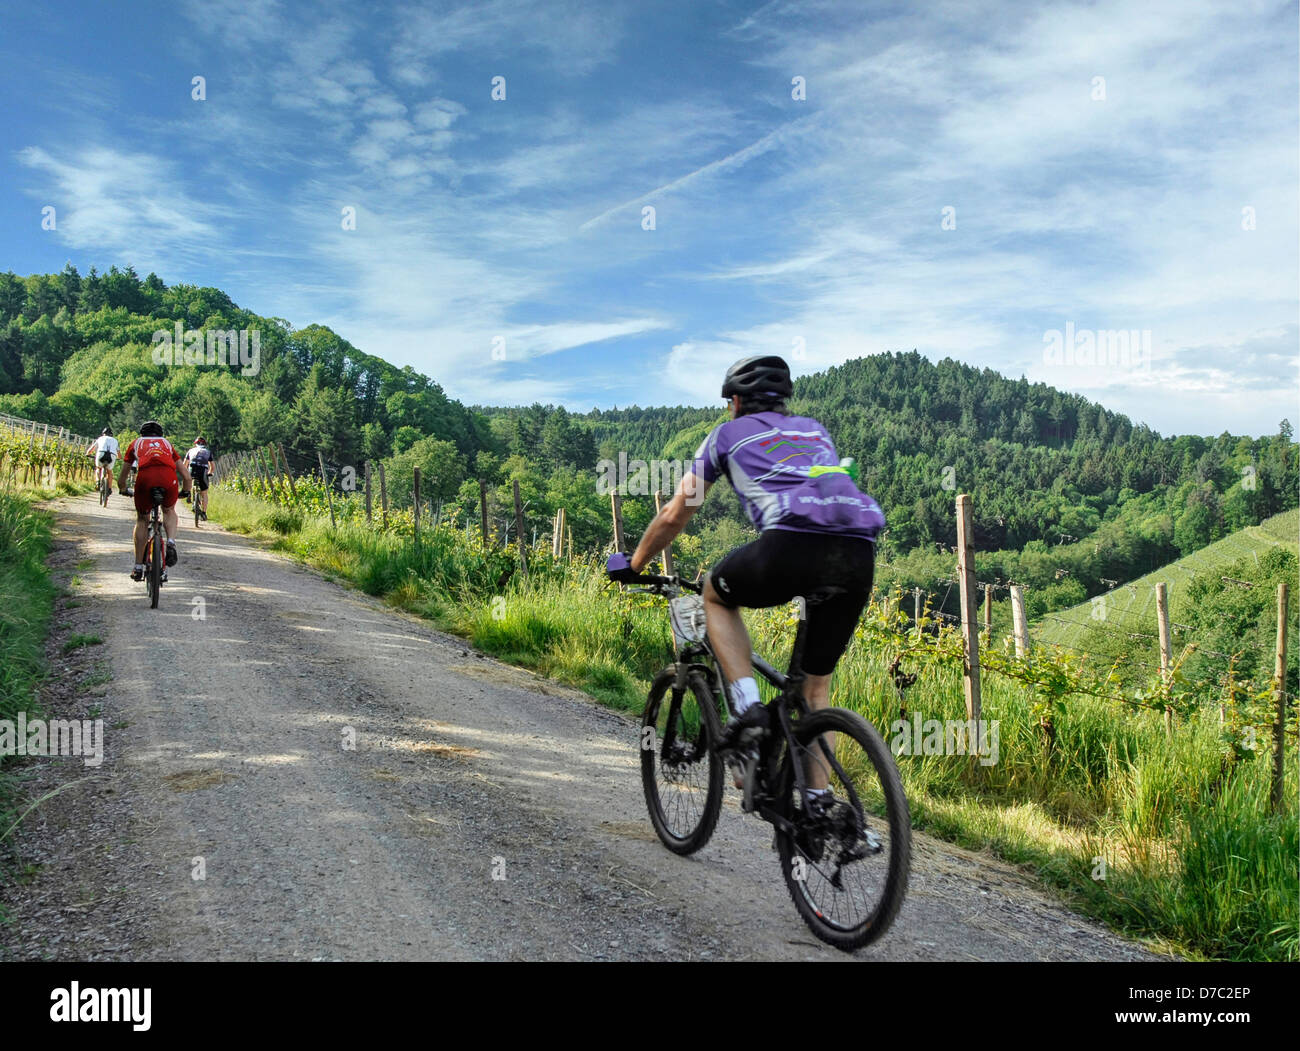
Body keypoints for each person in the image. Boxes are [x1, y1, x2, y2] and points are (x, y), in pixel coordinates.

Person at [608, 355, 885, 795]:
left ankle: (747, 709)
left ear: (735, 401)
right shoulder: (814, 430)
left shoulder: (726, 436)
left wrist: (634, 563)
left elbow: (674, 515)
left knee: (714, 594)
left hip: (791, 543)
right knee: (815, 694)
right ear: (783, 401)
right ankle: (819, 805)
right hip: (859, 551)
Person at [118, 421, 192, 581]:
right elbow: (186, 475)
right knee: (169, 510)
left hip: (146, 478)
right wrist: (185, 491)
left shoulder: (136, 443)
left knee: (142, 519)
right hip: (168, 478)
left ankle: (138, 567)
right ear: (160, 434)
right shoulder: (166, 444)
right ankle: (171, 542)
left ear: (141, 433)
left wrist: (123, 489)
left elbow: (123, 475)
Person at [185, 437, 215, 520]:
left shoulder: (190, 451)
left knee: (188, 479)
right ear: (204, 445)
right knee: (204, 493)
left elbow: (185, 464)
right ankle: (204, 513)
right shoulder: (208, 452)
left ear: (195, 444)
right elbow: (212, 466)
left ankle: (188, 493)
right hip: (202, 471)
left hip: (192, 469)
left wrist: (185, 473)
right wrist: (210, 473)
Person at [85, 428, 119, 493]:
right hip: (112, 455)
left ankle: (98, 482)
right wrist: (119, 458)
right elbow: (119, 454)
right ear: (111, 434)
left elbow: (91, 449)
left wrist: (87, 454)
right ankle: (109, 488)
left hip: (101, 453)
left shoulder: (100, 438)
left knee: (98, 468)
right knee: (109, 472)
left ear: (103, 433)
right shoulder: (115, 440)